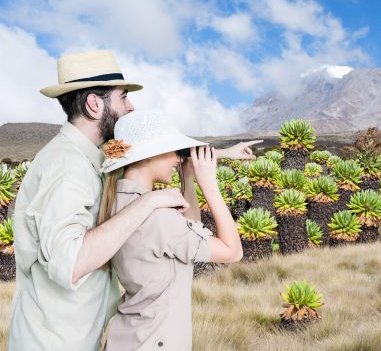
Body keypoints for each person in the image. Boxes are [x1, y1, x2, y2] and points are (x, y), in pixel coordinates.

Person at [8, 50, 260, 351]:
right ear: (94, 103)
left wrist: (225, 153)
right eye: (123, 97)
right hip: (56, 341)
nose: (131, 106)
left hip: (86, 335)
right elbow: (70, 263)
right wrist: (147, 203)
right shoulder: (66, 168)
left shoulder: (93, 156)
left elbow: (143, 153)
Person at [99, 109, 242, 350]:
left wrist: (188, 177)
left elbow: (190, 228)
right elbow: (232, 252)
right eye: (173, 150)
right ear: (147, 156)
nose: (178, 157)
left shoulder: (119, 202)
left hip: (129, 338)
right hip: (155, 341)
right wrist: (209, 184)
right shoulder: (156, 215)